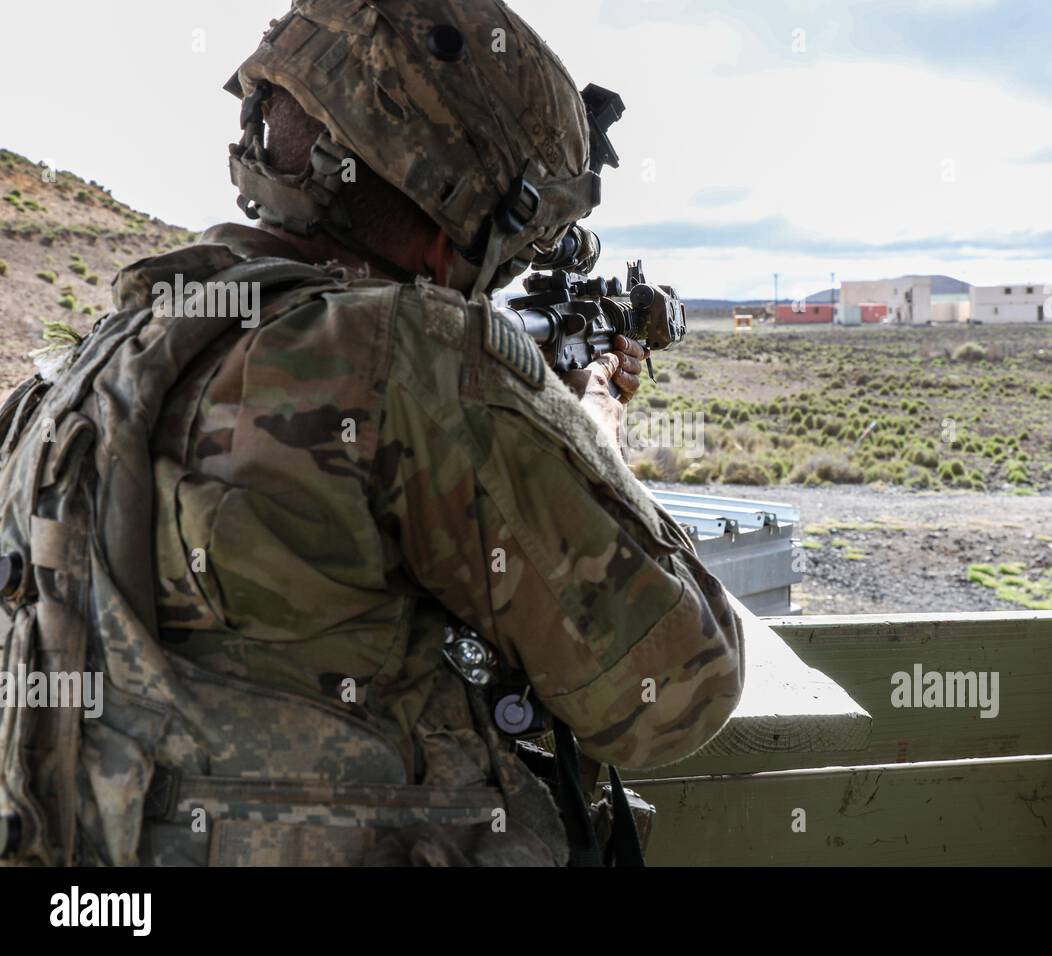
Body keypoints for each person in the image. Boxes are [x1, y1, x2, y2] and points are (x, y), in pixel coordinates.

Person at [0, 0, 742, 868]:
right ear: (453, 209)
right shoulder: (410, 356)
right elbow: (675, 690)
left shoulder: (83, 372)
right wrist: (592, 440)